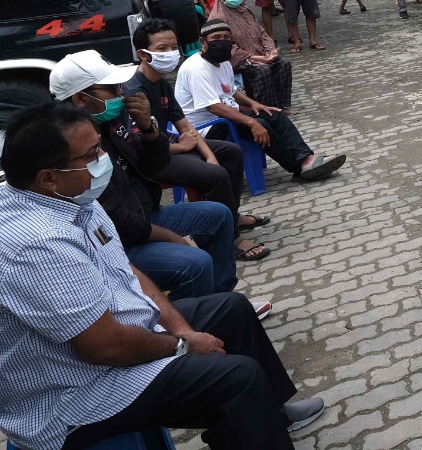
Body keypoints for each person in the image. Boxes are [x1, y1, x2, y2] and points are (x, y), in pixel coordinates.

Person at [0, 102, 348, 450]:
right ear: (48, 177)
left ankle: (273, 411)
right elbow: (104, 346)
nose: (103, 159)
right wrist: (185, 346)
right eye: (91, 154)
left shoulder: (70, 201)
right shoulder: (29, 243)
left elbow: (126, 272)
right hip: (68, 395)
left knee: (228, 309)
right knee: (233, 379)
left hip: (104, 348)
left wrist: (181, 327)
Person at [50, 51, 239, 298]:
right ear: (80, 99)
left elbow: (154, 167)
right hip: (117, 241)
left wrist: (149, 128)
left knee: (219, 215)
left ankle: (221, 300)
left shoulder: (111, 124)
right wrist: (172, 238)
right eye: (112, 89)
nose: (121, 94)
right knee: (195, 262)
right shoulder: (72, 149)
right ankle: (188, 319)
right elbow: (114, 219)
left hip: (146, 215)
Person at [127, 18, 271, 263]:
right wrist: (181, 147)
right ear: (143, 54)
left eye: (174, 47)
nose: (171, 53)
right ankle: (230, 239)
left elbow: (185, 125)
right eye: (162, 49)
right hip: (151, 160)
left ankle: (230, 215)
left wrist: (210, 155)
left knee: (230, 153)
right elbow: (138, 145)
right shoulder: (135, 91)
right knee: (215, 176)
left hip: (170, 147)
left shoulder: (161, 83)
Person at [176, 19, 346, 182]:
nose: (223, 42)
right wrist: (251, 122)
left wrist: (254, 103)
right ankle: (298, 167)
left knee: (273, 114)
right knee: (259, 124)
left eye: (227, 38)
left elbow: (231, 91)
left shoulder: (223, 62)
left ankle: (306, 158)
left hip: (226, 117)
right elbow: (214, 107)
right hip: (207, 128)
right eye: (216, 38)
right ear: (203, 42)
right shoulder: (196, 68)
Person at [209, 0, 294, 111]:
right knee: (262, 70)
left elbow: (262, 33)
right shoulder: (218, 18)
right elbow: (229, 47)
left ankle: (281, 105)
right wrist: (259, 59)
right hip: (239, 59)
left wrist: (270, 51)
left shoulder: (244, 10)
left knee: (283, 64)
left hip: (260, 53)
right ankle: (267, 108)